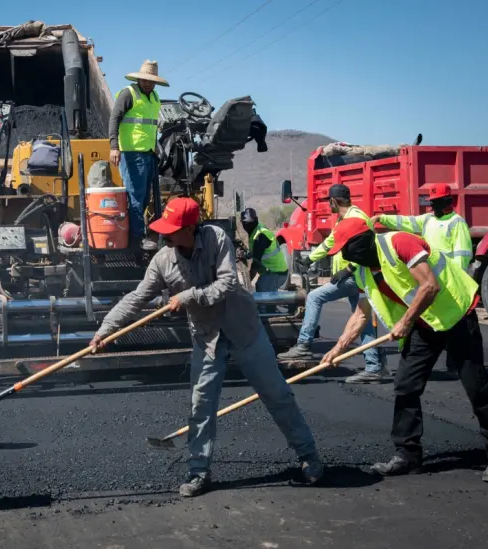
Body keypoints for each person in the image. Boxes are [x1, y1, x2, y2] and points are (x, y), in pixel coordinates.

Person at [89, 197, 324, 497]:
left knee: (276, 393)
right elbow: (136, 298)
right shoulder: (163, 260)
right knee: (200, 405)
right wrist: (105, 330)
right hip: (207, 337)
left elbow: (227, 283)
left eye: (172, 230)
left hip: (244, 330)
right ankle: (199, 471)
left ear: (190, 228)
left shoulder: (216, 239)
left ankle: (309, 456)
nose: (166, 236)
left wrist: (188, 297)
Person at [320, 217, 488, 482]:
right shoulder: (363, 271)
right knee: (406, 385)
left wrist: (405, 321)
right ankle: (407, 454)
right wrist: (339, 348)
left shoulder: (399, 242)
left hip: (455, 313)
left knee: (476, 385)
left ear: (360, 242)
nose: (345, 255)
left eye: (346, 248)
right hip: (423, 323)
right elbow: (361, 313)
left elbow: (430, 285)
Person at [278, 184, 387, 383]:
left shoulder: (358, 219)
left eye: (329, 203)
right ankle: (374, 366)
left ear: (333, 201)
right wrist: (311, 258)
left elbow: (367, 250)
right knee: (362, 321)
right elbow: (330, 243)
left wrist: (349, 269)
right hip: (355, 278)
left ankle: (303, 344)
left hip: (355, 277)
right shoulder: (345, 218)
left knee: (314, 296)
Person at [371, 183, 472, 379]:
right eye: (431, 202)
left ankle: (457, 363)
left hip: (451, 282)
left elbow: (462, 255)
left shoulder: (456, 223)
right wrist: (382, 218)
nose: (433, 206)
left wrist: (457, 282)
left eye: (437, 202)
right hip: (432, 279)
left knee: (455, 325)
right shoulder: (428, 220)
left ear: (448, 202)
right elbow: (406, 222)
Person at [108, 59, 169, 252]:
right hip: (132, 153)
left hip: (149, 153)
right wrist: (114, 146)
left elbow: (150, 126)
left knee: (144, 198)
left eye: (151, 80)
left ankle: (137, 233)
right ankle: (137, 239)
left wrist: (156, 145)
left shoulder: (155, 97)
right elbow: (114, 119)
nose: (147, 83)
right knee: (135, 195)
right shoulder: (129, 94)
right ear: (140, 78)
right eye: (145, 79)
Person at [239, 207, 289, 292]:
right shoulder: (256, 230)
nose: (247, 225)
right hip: (273, 271)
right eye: (245, 223)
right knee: (264, 290)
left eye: (249, 222)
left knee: (262, 291)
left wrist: (247, 283)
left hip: (276, 273)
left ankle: (268, 306)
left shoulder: (260, 235)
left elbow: (255, 265)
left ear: (256, 220)